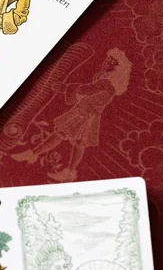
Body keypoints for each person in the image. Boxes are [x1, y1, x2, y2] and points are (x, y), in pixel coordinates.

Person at [12, 49, 132, 181]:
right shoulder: (104, 79)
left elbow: (87, 90)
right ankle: (42, 158)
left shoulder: (107, 83)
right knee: (68, 137)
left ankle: (58, 166)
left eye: (112, 62)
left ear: (118, 69)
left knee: (72, 139)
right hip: (84, 111)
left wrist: (65, 88)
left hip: (86, 114)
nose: (106, 62)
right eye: (108, 59)